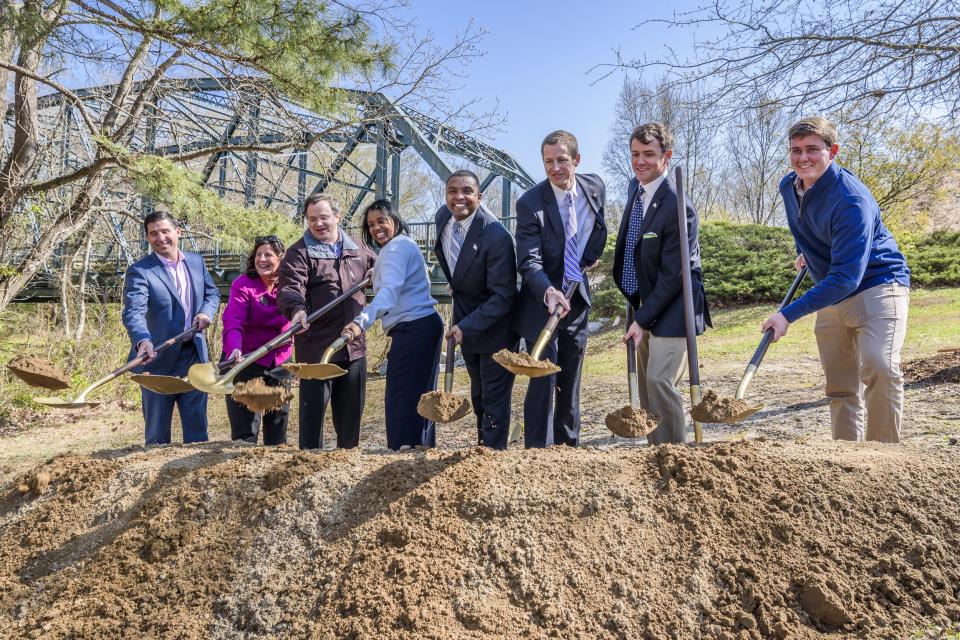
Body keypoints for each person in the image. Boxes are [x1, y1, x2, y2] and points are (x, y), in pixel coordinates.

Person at [762, 116, 911, 443]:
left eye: (812, 149)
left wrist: (787, 314)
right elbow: (800, 224)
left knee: (879, 367)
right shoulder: (789, 186)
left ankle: (884, 461)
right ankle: (846, 459)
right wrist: (805, 249)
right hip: (832, 289)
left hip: (877, 283)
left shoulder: (850, 199)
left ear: (833, 151)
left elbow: (846, 277)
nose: (803, 158)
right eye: (796, 150)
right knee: (840, 383)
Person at [612, 123, 711, 445]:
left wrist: (642, 320)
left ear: (666, 157)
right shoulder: (635, 191)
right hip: (645, 302)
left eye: (649, 155)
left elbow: (675, 275)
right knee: (645, 389)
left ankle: (675, 456)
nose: (640, 162)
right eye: (635, 154)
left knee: (658, 380)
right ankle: (657, 456)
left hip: (676, 306)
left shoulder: (678, 205)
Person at [513, 130, 607, 448]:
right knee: (544, 375)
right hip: (543, 303)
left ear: (576, 160)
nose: (555, 168)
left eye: (562, 160)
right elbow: (528, 261)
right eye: (548, 162)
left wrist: (590, 257)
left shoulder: (594, 187)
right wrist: (549, 292)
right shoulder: (529, 203)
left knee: (570, 378)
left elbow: (599, 225)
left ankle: (568, 450)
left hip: (577, 301)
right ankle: (538, 451)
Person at [342, 199, 443, 450]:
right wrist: (375, 274)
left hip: (414, 329)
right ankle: (419, 450)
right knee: (420, 397)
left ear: (395, 221)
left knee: (402, 398)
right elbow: (395, 280)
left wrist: (360, 322)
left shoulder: (396, 248)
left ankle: (403, 451)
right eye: (371, 224)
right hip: (423, 326)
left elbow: (389, 293)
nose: (376, 228)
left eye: (382, 221)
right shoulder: (402, 246)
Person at [277, 193, 376, 450]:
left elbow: (385, 270)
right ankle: (307, 463)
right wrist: (297, 310)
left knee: (351, 416)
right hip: (316, 350)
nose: (318, 224)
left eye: (324, 218)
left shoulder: (357, 248)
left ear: (337, 217)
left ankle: (347, 460)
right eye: (312, 219)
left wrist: (381, 271)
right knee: (312, 417)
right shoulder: (298, 253)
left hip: (353, 347)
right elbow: (290, 288)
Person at [434, 170, 518, 450]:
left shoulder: (496, 237)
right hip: (466, 322)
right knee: (479, 394)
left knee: (494, 397)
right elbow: (448, 258)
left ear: (479, 197)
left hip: (496, 328)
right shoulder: (442, 219)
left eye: (467, 191)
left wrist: (464, 327)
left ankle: (493, 455)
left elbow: (503, 296)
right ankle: (483, 448)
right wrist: (454, 282)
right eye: (452, 191)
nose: (459, 197)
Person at [122, 211, 220, 445]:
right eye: (153, 233)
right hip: (156, 359)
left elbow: (212, 293)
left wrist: (206, 311)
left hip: (194, 358)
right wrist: (142, 340)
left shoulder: (196, 262)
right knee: (156, 436)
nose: (160, 237)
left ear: (178, 232)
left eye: (165, 231)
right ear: (147, 238)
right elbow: (133, 312)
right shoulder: (140, 271)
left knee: (197, 431)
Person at [221, 236, 293, 446]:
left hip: (279, 360)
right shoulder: (243, 284)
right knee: (245, 430)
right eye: (258, 255)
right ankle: (241, 471)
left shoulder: (291, 284)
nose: (262, 259)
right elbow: (233, 320)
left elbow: (299, 312)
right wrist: (233, 348)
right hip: (245, 360)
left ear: (280, 259)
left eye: (268, 255)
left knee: (278, 426)